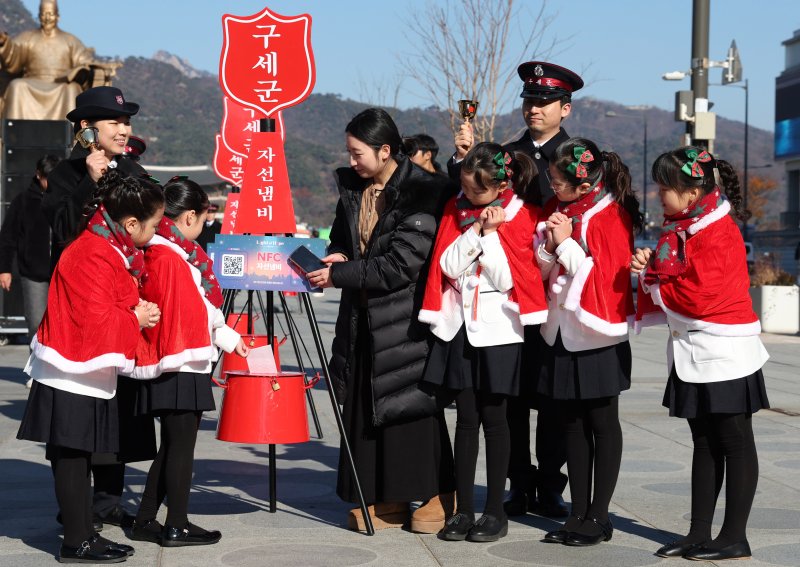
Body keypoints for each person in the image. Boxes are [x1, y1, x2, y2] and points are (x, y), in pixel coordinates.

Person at [305, 107, 456, 534]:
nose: (352, 162)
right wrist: (337, 255)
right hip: (362, 316)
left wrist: (339, 274)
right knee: (367, 408)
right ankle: (384, 498)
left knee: (411, 407)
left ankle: (438, 494)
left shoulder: (426, 191)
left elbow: (401, 265)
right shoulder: (353, 189)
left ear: (385, 149)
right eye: (348, 153)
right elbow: (341, 237)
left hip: (407, 318)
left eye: (358, 154)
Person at [450, 61, 584, 519]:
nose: (534, 108)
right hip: (507, 293)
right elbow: (471, 195)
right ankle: (517, 482)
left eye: (545, 102)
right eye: (529, 100)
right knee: (512, 399)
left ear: (564, 108)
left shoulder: (579, 156)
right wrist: (463, 157)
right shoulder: (507, 154)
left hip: (556, 292)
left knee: (553, 398)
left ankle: (551, 483)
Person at [16, 170, 164, 564]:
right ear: (131, 223)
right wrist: (138, 319)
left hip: (77, 368)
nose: (153, 233)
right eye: (151, 226)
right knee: (71, 457)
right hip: (71, 369)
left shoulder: (103, 245)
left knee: (77, 457)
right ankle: (76, 541)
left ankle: (81, 535)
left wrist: (133, 310)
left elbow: (102, 308)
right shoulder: (94, 252)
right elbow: (93, 320)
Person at [631, 147, 770, 562]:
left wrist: (651, 280)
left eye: (664, 187)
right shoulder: (685, 229)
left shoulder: (716, 230)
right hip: (696, 349)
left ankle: (733, 537)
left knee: (734, 440)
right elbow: (678, 281)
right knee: (704, 442)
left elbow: (701, 294)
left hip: (725, 350)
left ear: (691, 192)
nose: (658, 195)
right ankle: (698, 532)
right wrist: (649, 269)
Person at [418, 142, 547, 542]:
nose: (467, 196)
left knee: (497, 421)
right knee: (467, 421)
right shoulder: (457, 213)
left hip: (499, 332)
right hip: (460, 328)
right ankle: (463, 510)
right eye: (465, 188)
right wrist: (477, 228)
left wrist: (491, 235)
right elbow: (448, 264)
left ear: (499, 185)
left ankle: (495, 510)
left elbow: (511, 279)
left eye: (476, 192)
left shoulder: (523, 213)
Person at [42, 84, 155, 532]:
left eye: (127, 122)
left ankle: (107, 502)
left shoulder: (134, 171)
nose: (124, 129)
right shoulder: (67, 173)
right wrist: (90, 179)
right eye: (115, 122)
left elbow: (151, 226)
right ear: (87, 129)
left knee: (118, 409)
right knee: (76, 410)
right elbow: (62, 230)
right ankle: (74, 507)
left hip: (125, 303)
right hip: (78, 309)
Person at [126, 177, 248, 547]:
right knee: (181, 448)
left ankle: (146, 518)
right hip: (182, 358)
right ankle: (176, 524)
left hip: (170, 356)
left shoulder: (159, 250)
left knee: (173, 446)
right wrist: (227, 336)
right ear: (190, 216)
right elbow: (196, 309)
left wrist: (226, 336)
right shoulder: (172, 256)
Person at [537, 137, 640, 547]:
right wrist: (550, 246)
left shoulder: (611, 215)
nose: (552, 188)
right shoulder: (558, 211)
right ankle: (577, 511)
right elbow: (542, 268)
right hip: (562, 329)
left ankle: (599, 516)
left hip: (597, 332)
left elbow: (601, 278)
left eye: (558, 183)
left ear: (584, 186)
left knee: (602, 423)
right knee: (571, 424)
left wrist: (564, 242)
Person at [0, 0, 117, 120]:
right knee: (17, 85)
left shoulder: (70, 40)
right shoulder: (27, 37)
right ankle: (14, 132)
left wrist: (100, 67)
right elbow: (13, 55)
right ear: (39, 15)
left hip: (62, 84)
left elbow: (85, 61)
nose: (47, 18)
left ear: (58, 16)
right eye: (43, 14)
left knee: (72, 89)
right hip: (32, 81)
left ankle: (72, 132)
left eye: (50, 14)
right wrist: (5, 44)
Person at [0, 155, 60, 346]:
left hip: (62, 270)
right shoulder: (23, 201)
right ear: (38, 175)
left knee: (61, 323)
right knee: (36, 322)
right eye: (46, 179)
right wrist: (5, 269)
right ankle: (36, 371)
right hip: (34, 273)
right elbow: (8, 236)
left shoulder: (65, 199)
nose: (50, 183)